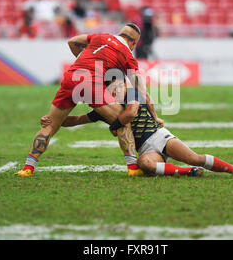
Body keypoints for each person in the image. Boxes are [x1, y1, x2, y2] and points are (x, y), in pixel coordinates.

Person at [16, 23, 159, 177]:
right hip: (92, 82)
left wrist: (83, 59)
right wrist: (155, 117)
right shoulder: (128, 55)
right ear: (133, 43)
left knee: (50, 125)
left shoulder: (100, 36)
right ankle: (132, 167)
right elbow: (143, 92)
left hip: (72, 77)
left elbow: (72, 41)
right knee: (123, 121)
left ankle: (27, 168)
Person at [41, 78, 233, 177]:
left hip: (158, 136)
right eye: (111, 88)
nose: (115, 90)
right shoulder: (103, 109)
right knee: (145, 164)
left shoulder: (131, 94)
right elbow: (77, 120)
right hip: (146, 149)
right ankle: (188, 173)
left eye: (116, 86)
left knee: (194, 157)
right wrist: (54, 119)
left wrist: (116, 125)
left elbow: (131, 113)